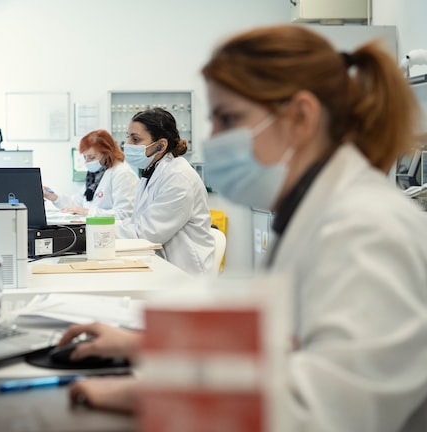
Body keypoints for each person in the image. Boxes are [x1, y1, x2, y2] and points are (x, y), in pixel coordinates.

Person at [58, 25, 427, 431]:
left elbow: (323, 411)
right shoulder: (313, 210)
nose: (213, 140)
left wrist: (147, 394)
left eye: (228, 118)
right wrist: (145, 345)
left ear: (301, 117)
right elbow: (278, 344)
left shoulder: (365, 230)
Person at [117, 107, 215, 274]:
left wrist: (95, 233)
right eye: (128, 138)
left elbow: (146, 234)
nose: (127, 145)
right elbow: (137, 223)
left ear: (161, 145)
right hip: (161, 264)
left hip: (185, 271)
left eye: (135, 139)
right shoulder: (153, 172)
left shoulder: (178, 177)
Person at [42, 129, 139, 220]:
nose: (87, 162)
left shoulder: (122, 174)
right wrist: (54, 197)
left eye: (91, 157)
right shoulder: (95, 176)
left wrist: (87, 212)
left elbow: (124, 214)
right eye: (85, 157)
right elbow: (77, 204)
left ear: (107, 153)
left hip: (113, 232)